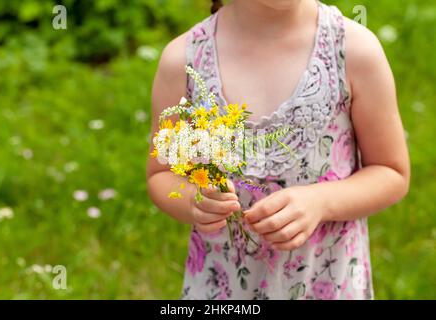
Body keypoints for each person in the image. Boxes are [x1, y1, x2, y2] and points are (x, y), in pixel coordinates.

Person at [147, 0, 410, 299]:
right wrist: (194, 201)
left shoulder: (353, 51)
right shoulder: (184, 61)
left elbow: (391, 171)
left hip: (325, 283)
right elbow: (162, 173)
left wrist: (321, 202)